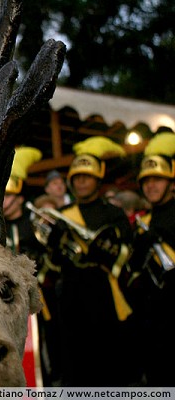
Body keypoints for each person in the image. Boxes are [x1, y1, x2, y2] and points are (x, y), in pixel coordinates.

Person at [45, 136, 136, 386]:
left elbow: (125, 252)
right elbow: (52, 264)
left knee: (108, 364)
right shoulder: (61, 215)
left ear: (98, 179)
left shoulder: (113, 213)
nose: (81, 181)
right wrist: (54, 245)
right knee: (76, 366)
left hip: (104, 293)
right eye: (77, 177)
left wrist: (103, 252)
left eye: (87, 176)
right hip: (71, 296)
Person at [2, 147, 61, 386]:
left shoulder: (35, 223)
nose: (3, 201)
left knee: (47, 344)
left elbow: (54, 257)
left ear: (20, 198)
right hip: (8, 303)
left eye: (8, 196)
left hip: (42, 299)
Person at [127, 132, 175, 386]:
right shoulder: (143, 221)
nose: (150, 185)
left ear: (171, 182)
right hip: (152, 321)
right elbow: (133, 268)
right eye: (146, 180)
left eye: (157, 179)